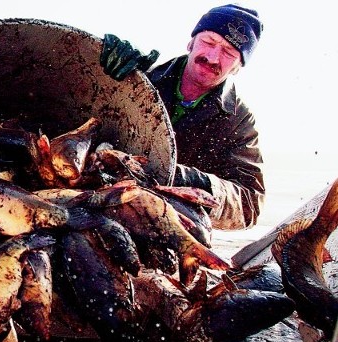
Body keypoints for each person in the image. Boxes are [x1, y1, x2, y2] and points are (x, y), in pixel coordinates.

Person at [100, 4, 265, 230]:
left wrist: (192, 181)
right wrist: (103, 68)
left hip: (163, 227)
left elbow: (249, 204)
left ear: (238, 66)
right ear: (191, 43)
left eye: (228, 52)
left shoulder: (238, 122)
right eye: (209, 42)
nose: (213, 57)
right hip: (97, 204)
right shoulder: (138, 78)